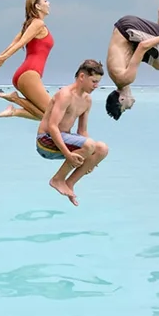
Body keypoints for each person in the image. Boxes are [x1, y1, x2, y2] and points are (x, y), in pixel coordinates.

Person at [35, 59, 110, 206]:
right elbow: (52, 126)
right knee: (89, 145)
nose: (96, 86)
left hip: (63, 140)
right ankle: (57, 179)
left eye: (98, 82)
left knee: (102, 149)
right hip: (46, 140)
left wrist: (91, 161)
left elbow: (82, 131)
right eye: (94, 81)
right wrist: (68, 155)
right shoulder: (65, 95)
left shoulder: (87, 100)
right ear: (82, 77)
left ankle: (69, 183)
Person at [105, 0, 159, 120]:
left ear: (122, 99)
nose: (130, 108)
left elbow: (143, 46)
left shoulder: (125, 78)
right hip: (127, 37)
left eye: (124, 108)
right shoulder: (118, 79)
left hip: (128, 30)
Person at [0, 0, 54, 120]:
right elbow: (20, 44)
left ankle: (15, 110)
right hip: (29, 73)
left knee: (48, 117)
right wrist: (2, 58)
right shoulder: (38, 24)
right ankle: (15, 100)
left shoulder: (31, 25)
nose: (48, 3)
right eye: (45, 0)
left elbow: (14, 44)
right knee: (54, 114)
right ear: (38, 6)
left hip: (26, 74)